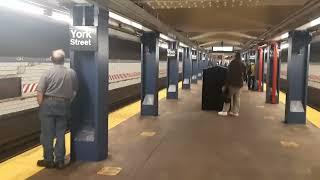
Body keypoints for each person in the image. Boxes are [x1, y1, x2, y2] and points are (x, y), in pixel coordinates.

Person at [36, 49, 78, 169]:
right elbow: (75, 90)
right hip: (64, 105)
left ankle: (48, 160)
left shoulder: (47, 72)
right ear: (64, 60)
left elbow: (40, 92)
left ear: (51, 59)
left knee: (47, 134)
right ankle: (60, 160)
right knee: (60, 133)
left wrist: (42, 105)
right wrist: (68, 101)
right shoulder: (71, 73)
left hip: (48, 105)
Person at [218, 52, 246, 117]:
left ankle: (225, 111)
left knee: (227, 96)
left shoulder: (232, 63)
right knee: (237, 98)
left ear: (235, 56)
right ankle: (235, 112)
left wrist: (226, 84)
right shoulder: (242, 64)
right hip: (239, 84)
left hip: (232, 83)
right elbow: (244, 73)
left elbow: (229, 74)